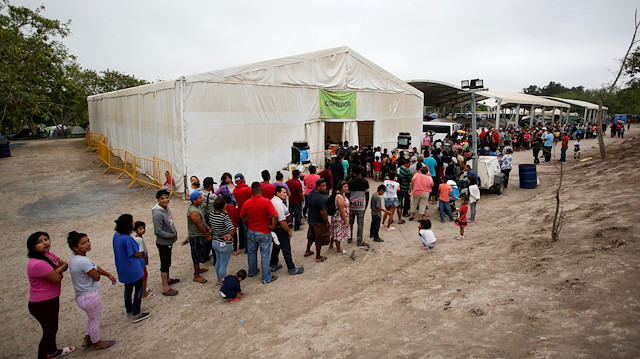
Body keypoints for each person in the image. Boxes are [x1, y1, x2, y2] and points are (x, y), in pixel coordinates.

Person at [26, 232, 76, 359]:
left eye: (46, 239)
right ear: (32, 247)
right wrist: (59, 269)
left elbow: (63, 263)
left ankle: (53, 352)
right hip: (42, 303)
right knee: (49, 332)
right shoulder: (37, 263)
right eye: (39, 242)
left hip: (50, 299)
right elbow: (56, 278)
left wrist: (59, 268)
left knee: (52, 328)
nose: (45, 243)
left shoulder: (48, 255)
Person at [66, 231, 117, 351]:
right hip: (89, 296)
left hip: (81, 295)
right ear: (75, 247)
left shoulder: (75, 258)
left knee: (91, 318)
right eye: (83, 243)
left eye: (88, 241)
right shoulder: (83, 261)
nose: (88, 244)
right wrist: (101, 275)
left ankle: (87, 338)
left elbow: (93, 266)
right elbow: (95, 275)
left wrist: (107, 274)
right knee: (95, 320)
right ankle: (96, 342)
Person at [112, 214, 150, 323]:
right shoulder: (127, 239)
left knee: (127, 289)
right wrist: (142, 256)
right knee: (138, 288)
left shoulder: (116, 236)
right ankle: (136, 313)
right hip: (132, 268)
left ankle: (129, 309)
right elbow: (135, 253)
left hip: (122, 268)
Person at [240, 182, 278, 284]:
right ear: (261, 190)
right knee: (264, 254)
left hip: (251, 230)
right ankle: (266, 277)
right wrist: (272, 226)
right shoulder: (266, 202)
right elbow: (274, 215)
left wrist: (247, 224)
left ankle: (252, 271)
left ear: (251, 191)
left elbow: (242, 215)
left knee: (251, 252)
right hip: (264, 231)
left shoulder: (247, 203)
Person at [270, 186, 305, 275]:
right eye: (284, 192)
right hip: (281, 230)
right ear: (278, 193)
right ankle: (291, 268)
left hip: (278, 230)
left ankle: (273, 264)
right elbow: (281, 220)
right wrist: (289, 230)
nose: (286, 194)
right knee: (286, 249)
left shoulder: (275, 201)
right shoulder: (278, 204)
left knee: (276, 246)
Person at [152, 189, 179, 297]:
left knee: (167, 262)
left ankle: (167, 279)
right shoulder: (158, 213)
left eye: (167, 197)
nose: (165, 200)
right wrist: (170, 235)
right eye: (162, 198)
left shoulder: (166, 209)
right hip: (163, 243)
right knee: (165, 263)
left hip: (169, 241)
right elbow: (157, 231)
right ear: (158, 200)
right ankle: (165, 287)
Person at [208, 198, 235, 285]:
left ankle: (219, 279)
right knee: (223, 264)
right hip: (224, 242)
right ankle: (223, 282)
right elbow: (231, 228)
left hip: (215, 240)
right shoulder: (224, 217)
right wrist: (230, 235)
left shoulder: (211, 214)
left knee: (218, 262)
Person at [187, 190, 211, 284]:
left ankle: (198, 269)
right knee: (196, 255)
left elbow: (202, 221)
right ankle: (196, 275)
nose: (202, 199)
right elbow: (199, 226)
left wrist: (207, 226)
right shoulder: (193, 211)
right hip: (196, 235)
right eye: (200, 198)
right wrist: (207, 235)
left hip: (199, 234)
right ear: (194, 201)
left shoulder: (198, 207)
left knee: (199, 253)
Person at [304, 178, 331, 262]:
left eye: (325, 186)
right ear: (318, 187)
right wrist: (327, 222)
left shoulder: (311, 192)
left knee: (311, 236)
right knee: (319, 239)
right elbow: (323, 212)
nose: (325, 187)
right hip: (318, 221)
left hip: (311, 219)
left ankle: (307, 250)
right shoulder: (320, 199)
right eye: (322, 186)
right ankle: (318, 256)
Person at [347, 166, 370, 246]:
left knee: (350, 223)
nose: (350, 173)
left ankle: (349, 238)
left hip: (351, 206)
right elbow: (367, 195)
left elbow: (347, 195)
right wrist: (366, 205)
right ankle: (359, 241)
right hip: (361, 206)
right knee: (360, 224)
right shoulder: (365, 182)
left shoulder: (350, 182)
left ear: (354, 172)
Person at [132, 221, 153, 300]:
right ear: (136, 230)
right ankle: (143, 294)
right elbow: (142, 252)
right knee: (144, 276)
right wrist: (145, 260)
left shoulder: (136, 238)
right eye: (140, 229)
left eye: (144, 228)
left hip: (139, 261)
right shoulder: (139, 240)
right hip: (141, 261)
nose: (143, 230)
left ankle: (143, 290)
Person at [329, 180, 350, 254]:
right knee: (338, 233)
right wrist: (346, 221)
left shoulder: (339, 194)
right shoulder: (340, 197)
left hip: (336, 217)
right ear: (340, 188)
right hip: (339, 218)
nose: (346, 188)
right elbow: (341, 210)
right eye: (345, 187)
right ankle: (339, 250)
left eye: (347, 186)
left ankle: (331, 246)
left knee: (335, 231)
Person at [234, 173, 252, 254]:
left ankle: (242, 245)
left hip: (240, 211)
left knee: (242, 230)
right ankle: (248, 248)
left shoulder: (235, 190)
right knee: (247, 230)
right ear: (243, 179)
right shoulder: (247, 189)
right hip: (247, 211)